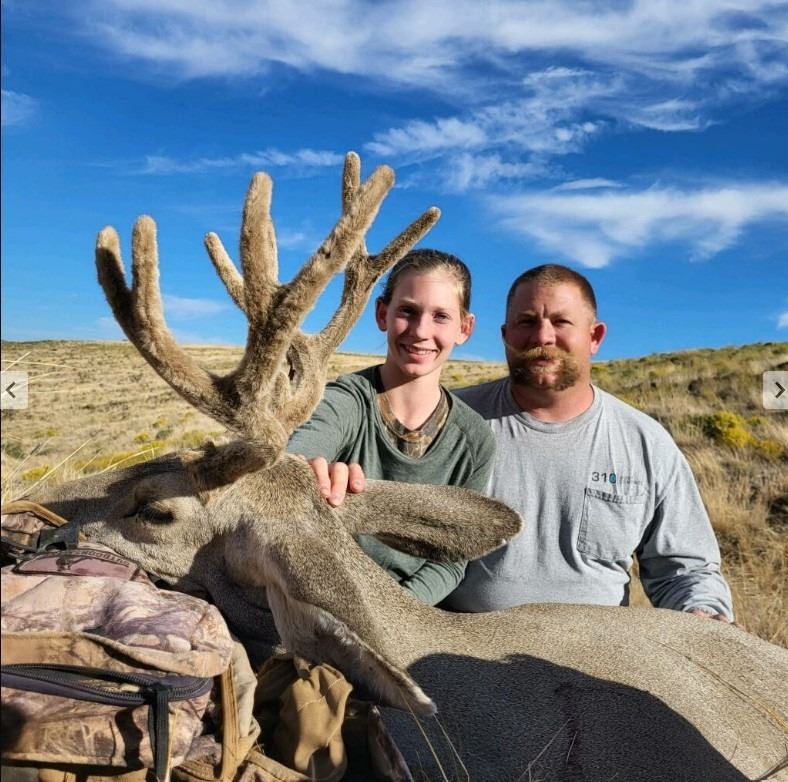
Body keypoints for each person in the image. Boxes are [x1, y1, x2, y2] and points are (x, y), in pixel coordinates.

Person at [318, 263, 736, 623]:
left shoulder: (645, 443)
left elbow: (685, 571)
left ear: (595, 336)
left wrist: (705, 614)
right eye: (527, 322)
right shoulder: (450, 426)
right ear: (504, 334)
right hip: (457, 652)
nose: (543, 336)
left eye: (561, 322)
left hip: (596, 662)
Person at [288, 248, 495, 606]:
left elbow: (451, 559)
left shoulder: (474, 441)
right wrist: (305, 470)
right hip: (316, 597)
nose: (420, 331)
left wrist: (393, 611)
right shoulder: (347, 400)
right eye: (407, 311)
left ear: (464, 328)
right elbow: (300, 453)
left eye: (441, 316)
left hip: (404, 613)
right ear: (383, 314)